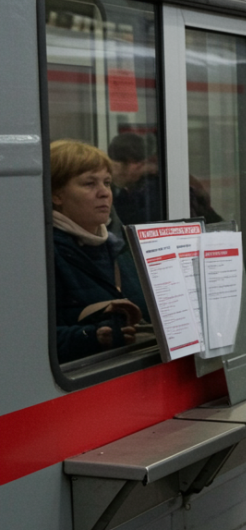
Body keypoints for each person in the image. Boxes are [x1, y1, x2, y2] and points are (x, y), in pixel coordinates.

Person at [50, 139, 149, 363]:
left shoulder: (119, 249)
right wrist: (92, 337)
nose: (104, 193)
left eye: (107, 182)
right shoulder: (44, 256)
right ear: (57, 195)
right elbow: (31, 340)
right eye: (89, 184)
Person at [106, 132, 162, 227]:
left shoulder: (154, 188)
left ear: (140, 163)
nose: (117, 170)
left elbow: (136, 222)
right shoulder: (116, 189)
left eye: (124, 164)